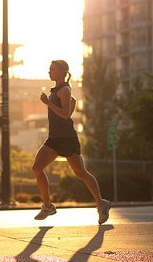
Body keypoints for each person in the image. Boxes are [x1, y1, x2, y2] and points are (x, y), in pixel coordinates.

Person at [32, 59, 111, 224]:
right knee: (37, 167)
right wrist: (53, 104)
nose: (50, 72)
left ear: (62, 71)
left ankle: (101, 204)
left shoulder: (64, 89)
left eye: (53, 69)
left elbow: (66, 114)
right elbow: (72, 103)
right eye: (49, 69)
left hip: (67, 138)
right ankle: (48, 205)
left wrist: (48, 103)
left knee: (81, 172)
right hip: (54, 138)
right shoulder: (60, 90)